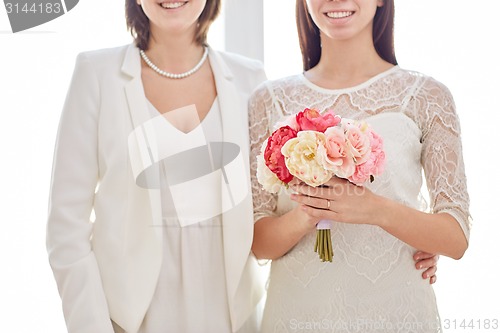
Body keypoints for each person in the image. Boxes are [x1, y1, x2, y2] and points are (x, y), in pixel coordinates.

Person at [46, 1, 268, 332]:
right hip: (129, 320)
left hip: (231, 319)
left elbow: (268, 208)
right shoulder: (97, 74)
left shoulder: (251, 80)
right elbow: (66, 228)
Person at [249, 0, 470, 332]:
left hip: (395, 312)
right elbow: (257, 241)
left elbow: (455, 237)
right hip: (297, 315)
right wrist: (308, 212)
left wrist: (373, 209)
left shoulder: (427, 96)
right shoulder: (268, 100)